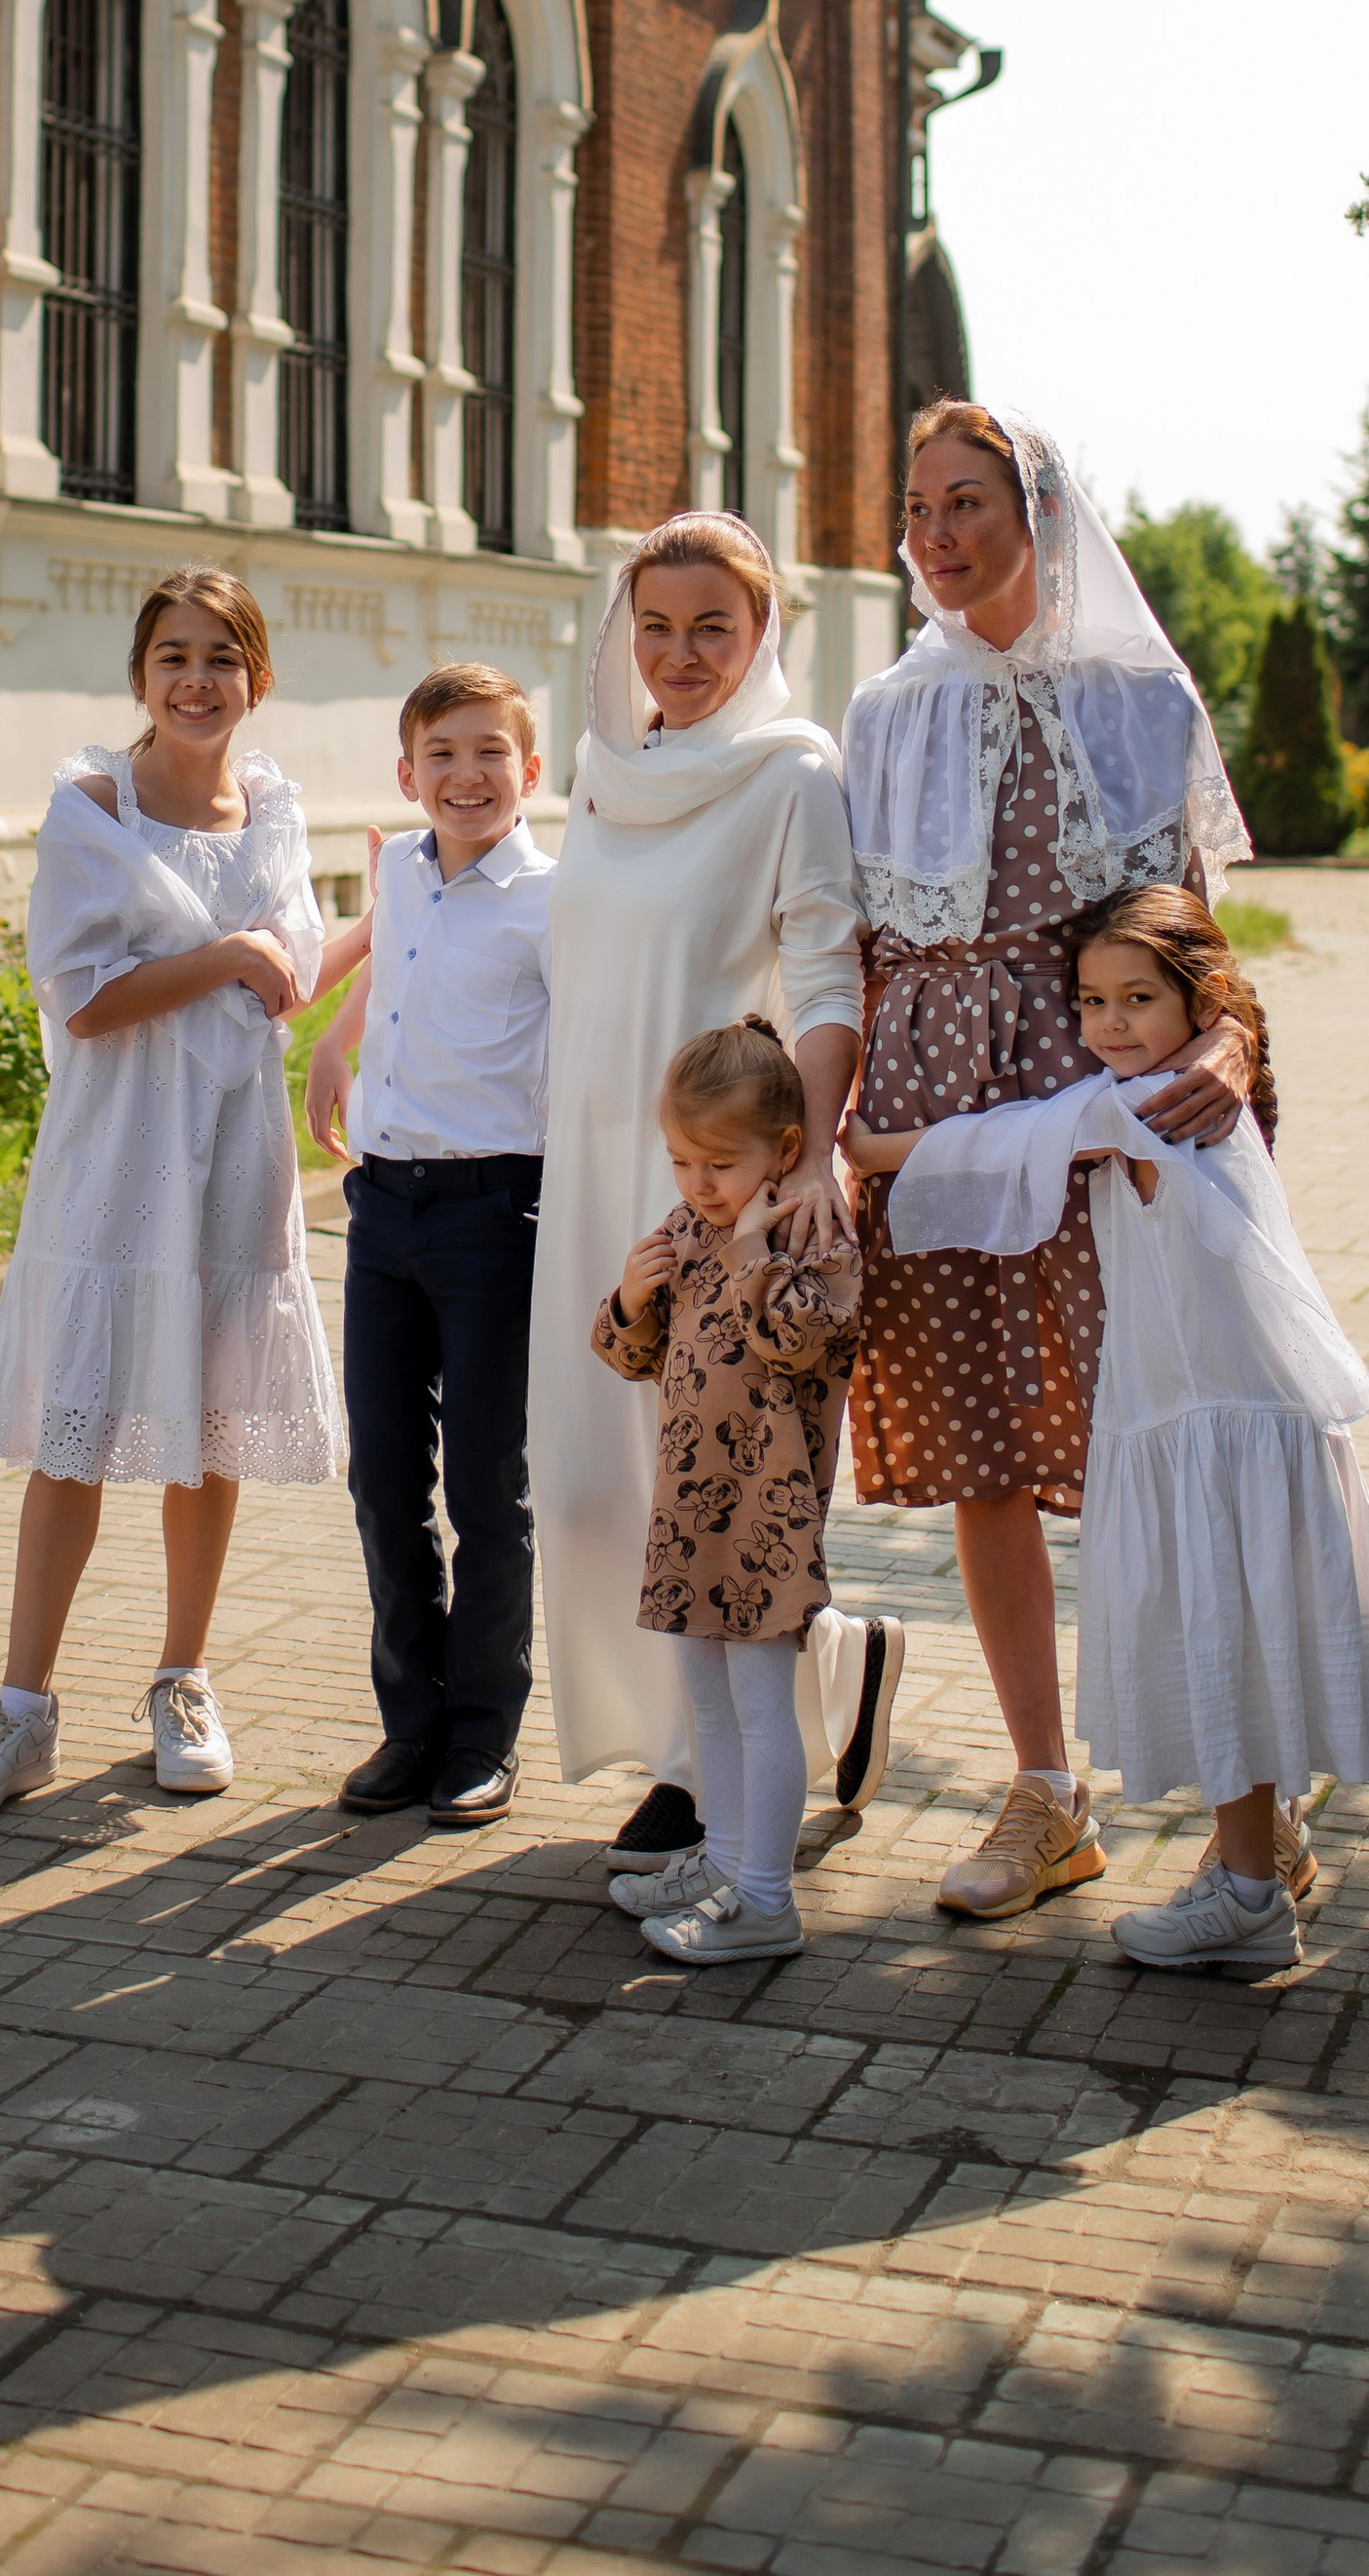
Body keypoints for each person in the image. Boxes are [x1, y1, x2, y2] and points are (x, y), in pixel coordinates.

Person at [889, 884, 1369, 1977]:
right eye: (1090, 1002)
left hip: (1227, 1420)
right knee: (1300, 1628)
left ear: (1201, 1004)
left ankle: (1263, 1888)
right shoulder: (1145, 1095)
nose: (1110, 1023)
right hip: (1218, 1420)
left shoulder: (1145, 1107)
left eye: (1138, 999)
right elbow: (1007, 1140)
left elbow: (977, 1143)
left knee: (1240, 1628)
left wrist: (851, 1145)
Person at [841, 400, 1255, 1925]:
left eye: (966, 500)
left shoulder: (1138, 699)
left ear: (1038, 511)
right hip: (929, 1103)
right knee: (985, 1454)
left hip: (1097, 1094)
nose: (937, 534)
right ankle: (1046, 1795)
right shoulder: (888, 710)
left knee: (1156, 1441)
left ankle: (1247, 1811)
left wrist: (1231, 1049)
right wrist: (834, 1126)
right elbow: (853, 943)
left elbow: (1193, 937)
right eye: (918, 508)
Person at [0, 569, 364, 1826]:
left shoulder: (274, 811)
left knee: (209, 1424)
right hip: (115, 1152)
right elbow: (84, 999)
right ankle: (21, 1709)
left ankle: (183, 1680)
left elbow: (290, 982)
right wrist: (224, 957)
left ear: (256, 681)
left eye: (221, 657)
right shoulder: (92, 808)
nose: (196, 679)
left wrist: (367, 933)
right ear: (140, 675)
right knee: (77, 1427)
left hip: (232, 1150)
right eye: (173, 655)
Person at [530, 512, 901, 1858]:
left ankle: (706, 1777)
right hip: (586, 1164)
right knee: (587, 1481)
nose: (680, 654)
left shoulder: (792, 773)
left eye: (711, 628)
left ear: (762, 634)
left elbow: (825, 969)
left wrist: (803, 1160)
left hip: (710, 1184)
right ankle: (819, 1671)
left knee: (707, 1485)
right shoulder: (602, 768)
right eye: (657, 626)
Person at [301, 664, 551, 1829]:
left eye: (490, 752)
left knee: (487, 1486)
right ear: (407, 775)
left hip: (496, 1213)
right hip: (382, 1210)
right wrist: (334, 1040)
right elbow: (395, 954)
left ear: (529, 770)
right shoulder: (400, 867)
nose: (466, 775)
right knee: (383, 1476)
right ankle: (410, 1722)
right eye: (441, 755)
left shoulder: (553, 902)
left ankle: (482, 1733)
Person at [591, 1021, 862, 1966]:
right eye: (681, 1161)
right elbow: (632, 1356)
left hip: (765, 1514)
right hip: (687, 1504)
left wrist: (752, 1250)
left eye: (719, 1163)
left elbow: (800, 1341)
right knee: (705, 1699)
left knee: (759, 1704)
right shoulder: (686, 1230)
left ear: (783, 1149)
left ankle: (766, 1900)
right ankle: (726, 1856)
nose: (699, 1184)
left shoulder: (811, 1235)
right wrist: (630, 1300)